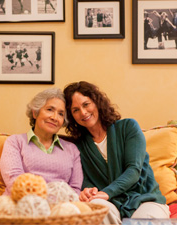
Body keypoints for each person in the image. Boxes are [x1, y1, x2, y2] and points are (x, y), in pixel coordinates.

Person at [63, 81, 170, 224]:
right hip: (110, 203)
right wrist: (89, 191)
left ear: (97, 102)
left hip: (145, 199)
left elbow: (133, 170)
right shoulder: (77, 146)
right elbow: (85, 180)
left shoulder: (128, 127)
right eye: (75, 110)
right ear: (71, 116)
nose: (83, 112)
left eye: (86, 104)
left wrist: (107, 192)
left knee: (142, 222)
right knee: (96, 212)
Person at [0, 88, 83, 196]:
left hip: (61, 208)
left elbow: (75, 189)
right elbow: (14, 183)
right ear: (35, 112)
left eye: (61, 114)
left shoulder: (72, 149)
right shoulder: (15, 142)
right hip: (22, 205)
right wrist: (43, 204)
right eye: (49, 109)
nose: (54, 117)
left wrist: (57, 206)